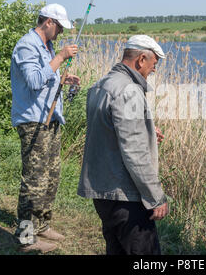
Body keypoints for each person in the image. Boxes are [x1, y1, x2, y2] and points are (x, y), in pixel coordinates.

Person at [78, 35, 169, 255]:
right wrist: (155, 196)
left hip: (103, 193)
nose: (153, 70)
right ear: (141, 60)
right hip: (125, 197)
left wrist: (146, 130)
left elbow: (108, 131)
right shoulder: (129, 91)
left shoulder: (100, 85)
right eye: (153, 64)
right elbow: (135, 152)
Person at [10, 3, 80, 253]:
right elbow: (33, 81)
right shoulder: (27, 45)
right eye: (59, 26)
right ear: (48, 22)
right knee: (34, 180)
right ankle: (26, 237)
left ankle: (41, 226)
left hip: (51, 119)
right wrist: (60, 58)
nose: (61, 31)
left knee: (51, 176)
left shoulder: (47, 46)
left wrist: (63, 79)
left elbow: (45, 76)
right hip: (33, 121)